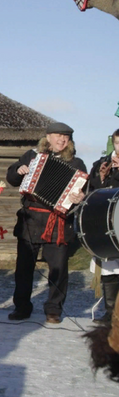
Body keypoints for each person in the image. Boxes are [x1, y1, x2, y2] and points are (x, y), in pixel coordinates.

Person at [6, 122, 87, 324]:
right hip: (30, 220)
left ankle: (54, 309)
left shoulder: (76, 164)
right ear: (48, 137)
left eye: (65, 137)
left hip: (57, 221)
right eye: (57, 135)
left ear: (70, 141)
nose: (61, 140)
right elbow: (12, 178)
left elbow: (84, 192)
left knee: (58, 269)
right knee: (24, 267)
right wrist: (19, 170)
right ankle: (22, 307)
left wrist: (80, 197)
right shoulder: (31, 156)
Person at [87, 128, 119, 324]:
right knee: (109, 268)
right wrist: (101, 177)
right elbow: (94, 193)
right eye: (117, 144)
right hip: (108, 224)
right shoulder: (102, 163)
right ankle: (110, 313)